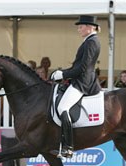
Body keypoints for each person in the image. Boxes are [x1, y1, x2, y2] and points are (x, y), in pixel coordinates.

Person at [50, 15, 101, 158]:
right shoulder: (89, 41)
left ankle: (68, 147)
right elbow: (77, 66)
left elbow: (83, 68)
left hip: (83, 82)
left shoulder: (91, 42)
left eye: (81, 27)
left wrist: (63, 75)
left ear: (90, 27)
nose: (79, 30)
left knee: (62, 107)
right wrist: (64, 73)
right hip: (79, 79)